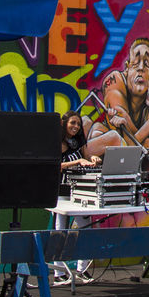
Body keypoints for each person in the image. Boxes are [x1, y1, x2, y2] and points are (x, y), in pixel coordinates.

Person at [89, 37, 149, 153]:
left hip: (134, 160)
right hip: (102, 152)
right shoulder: (114, 80)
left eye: (147, 65)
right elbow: (120, 118)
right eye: (136, 64)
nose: (141, 68)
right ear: (127, 68)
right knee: (105, 134)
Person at [54, 112, 100, 285]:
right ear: (65, 124)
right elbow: (55, 165)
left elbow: (87, 157)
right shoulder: (58, 143)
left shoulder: (80, 142)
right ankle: (59, 273)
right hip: (62, 192)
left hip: (81, 191)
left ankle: (83, 269)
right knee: (60, 230)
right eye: (72, 123)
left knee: (85, 228)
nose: (76, 127)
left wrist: (93, 158)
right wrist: (77, 162)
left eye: (78, 124)